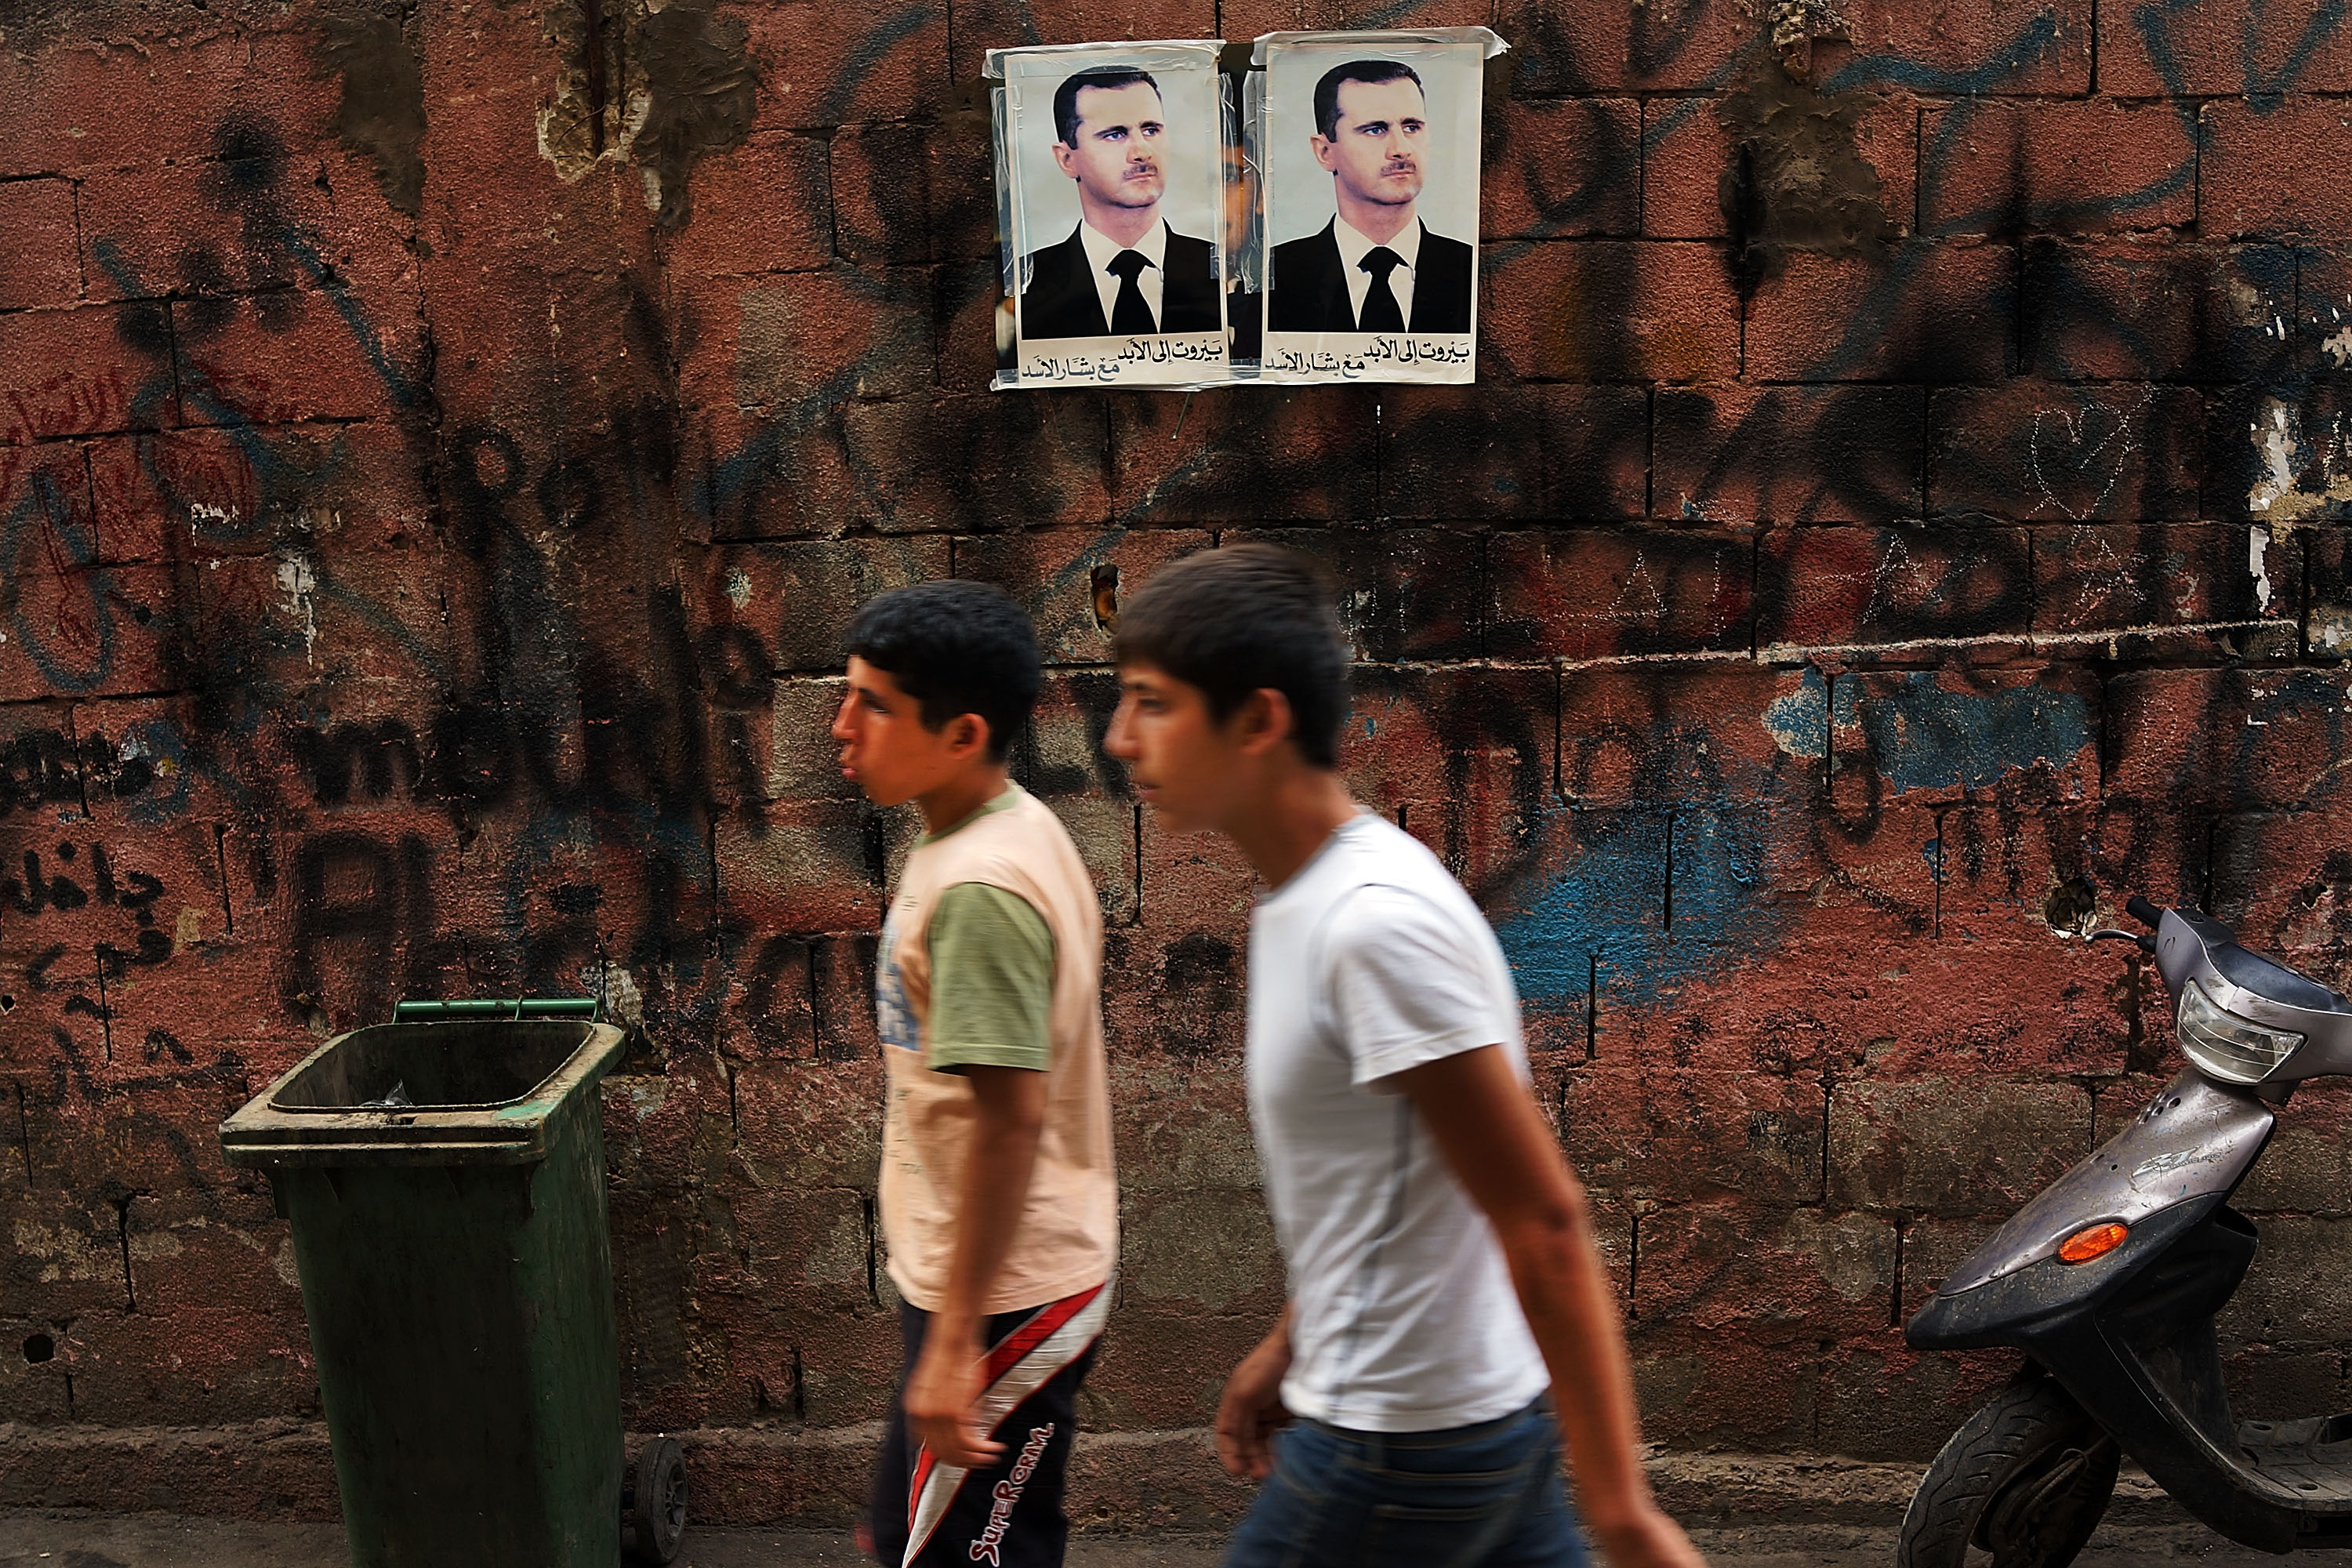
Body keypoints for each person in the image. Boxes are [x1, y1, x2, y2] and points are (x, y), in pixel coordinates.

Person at [1104, 546, 1706, 1568]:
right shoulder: (1310, 896)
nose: (1119, 737)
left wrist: (1620, 1508)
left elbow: (1542, 1217)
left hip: (1395, 1444)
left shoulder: (1370, 924)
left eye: (1153, 704)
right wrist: (1291, 1344)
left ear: (1258, 721)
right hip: (1457, 1421)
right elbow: (1395, 1177)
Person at [832, 582, 1117, 1568]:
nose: (841, 724)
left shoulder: (979, 888)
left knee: (968, 1555)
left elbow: (1009, 1120)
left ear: (962, 734)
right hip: (980, 1282)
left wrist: (956, 1345)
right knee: (906, 1537)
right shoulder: (990, 827)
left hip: (1003, 1295)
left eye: (873, 704)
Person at [1268, 59, 1475, 336]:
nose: (1401, 149)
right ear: (1325, 152)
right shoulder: (1275, 275)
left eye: (1412, 127)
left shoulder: (1471, 267)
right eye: (1375, 129)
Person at [1020, 65, 1221, 340]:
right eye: (1115, 134)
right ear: (1067, 160)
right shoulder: (1025, 283)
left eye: (1150, 130)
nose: (1142, 152)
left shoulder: (1222, 268)